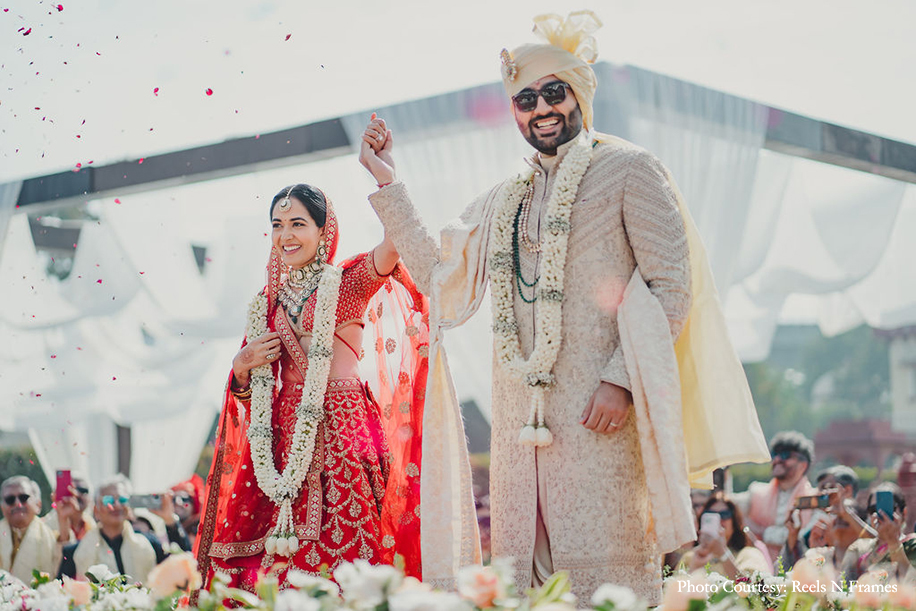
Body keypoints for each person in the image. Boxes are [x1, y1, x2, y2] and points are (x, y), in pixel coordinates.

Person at [358, 10, 767, 603]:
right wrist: (388, 183)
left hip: (601, 427)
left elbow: (670, 284)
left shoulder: (630, 170)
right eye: (525, 98)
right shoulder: (505, 197)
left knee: (610, 585)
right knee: (530, 590)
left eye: (554, 92)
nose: (541, 107)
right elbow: (439, 277)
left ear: (579, 94)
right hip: (519, 443)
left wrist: (621, 379)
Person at [194, 183, 428, 592]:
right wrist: (242, 366)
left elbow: (396, 240)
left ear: (325, 230)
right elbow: (250, 399)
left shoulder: (350, 283)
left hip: (344, 433)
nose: (286, 235)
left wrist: (382, 175)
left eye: (298, 224)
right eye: (278, 225)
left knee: (350, 557)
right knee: (266, 569)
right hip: (281, 443)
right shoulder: (266, 303)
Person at [59, 476, 191, 582]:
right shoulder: (75, 552)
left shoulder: (149, 543)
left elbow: (183, 565)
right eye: (108, 500)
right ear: (96, 511)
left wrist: (170, 520)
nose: (116, 505)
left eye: (122, 499)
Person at [738, 431, 817, 562]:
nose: (777, 459)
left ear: (803, 465)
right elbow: (730, 508)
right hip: (759, 570)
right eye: (774, 454)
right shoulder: (756, 493)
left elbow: (804, 538)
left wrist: (761, 532)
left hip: (799, 571)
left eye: (785, 455)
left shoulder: (815, 499)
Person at [681, 494, 771, 578]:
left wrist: (723, 554)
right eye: (711, 514)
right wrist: (694, 567)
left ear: (734, 522)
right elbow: (674, 591)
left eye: (724, 514)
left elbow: (752, 589)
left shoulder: (749, 554)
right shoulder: (689, 558)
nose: (719, 519)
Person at [841, 483, 916, 582]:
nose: (880, 514)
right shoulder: (859, 548)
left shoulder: (912, 544)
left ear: (904, 513)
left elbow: (910, 583)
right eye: (873, 510)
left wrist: (893, 542)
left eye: (889, 509)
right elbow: (842, 585)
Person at [0, 476, 69, 582]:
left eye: (24, 498)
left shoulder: (52, 536)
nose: (18, 504)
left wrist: (63, 520)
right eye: (10, 500)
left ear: (38, 504)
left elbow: (63, 566)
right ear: (2, 508)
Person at [43, 473, 95, 542]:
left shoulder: (93, 526)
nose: (76, 494)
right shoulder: (45, 528)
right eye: (70, 490)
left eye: (83, 490)